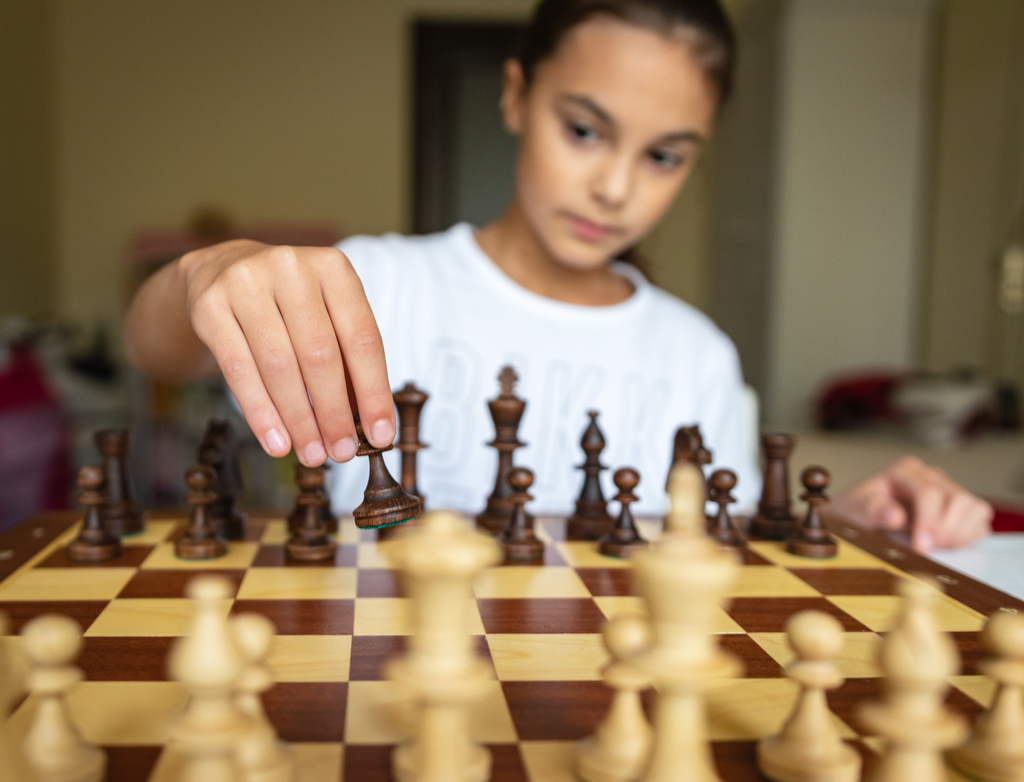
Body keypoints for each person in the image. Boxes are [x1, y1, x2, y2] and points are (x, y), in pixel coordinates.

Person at [124, 0, 992, 552]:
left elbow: (732, 537)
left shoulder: (698, 356)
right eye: (583, 130)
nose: (615, 187)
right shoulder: (377, 284)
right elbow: (156, 352)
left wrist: (851, 516)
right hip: (374, 688)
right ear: (515, 96)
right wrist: (210, 274)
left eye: (663, 156)